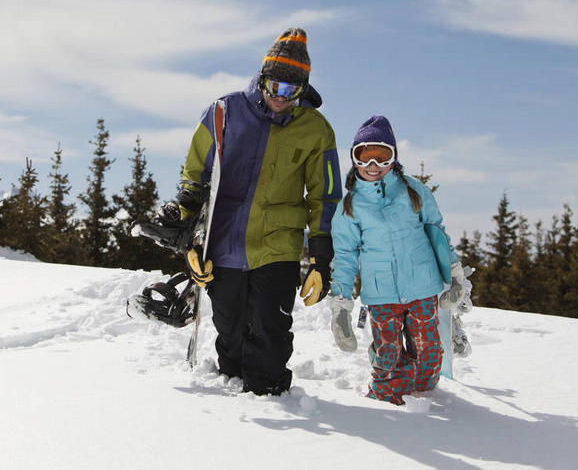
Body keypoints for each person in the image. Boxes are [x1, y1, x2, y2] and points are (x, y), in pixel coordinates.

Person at [174, 28, 342, 396]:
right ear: (261, 77)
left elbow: (324, 197)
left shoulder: (315, 130)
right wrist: (188, 236)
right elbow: (194, 179)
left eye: (291, 91)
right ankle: (230, 399)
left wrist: (322, 257)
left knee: (269, 330)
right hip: (224, 244)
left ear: (303, 90)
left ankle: (269, 395)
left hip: (278, 246)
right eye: (274, 86)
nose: (280, 98)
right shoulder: (224, 112)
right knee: (230, 329)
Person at [329, 115, 468, 405]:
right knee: (388, 356)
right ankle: (386, 398)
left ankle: (424, 397)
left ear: (393, 159)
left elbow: (437, 233)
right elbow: (343, 257)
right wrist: (341, 307)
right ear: (355, 159)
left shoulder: (414, 190)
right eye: (365, 157)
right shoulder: (351, 206)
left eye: (381, 157)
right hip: (381, 294)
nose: (373, 166)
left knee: (428, 357)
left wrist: (454, 273)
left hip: (422, 286)